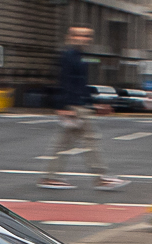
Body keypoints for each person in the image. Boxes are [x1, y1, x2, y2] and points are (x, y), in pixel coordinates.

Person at [38, 25, 128, 190]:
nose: (84, 39)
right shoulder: (67, 57)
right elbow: (63, 82)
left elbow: (81, 84)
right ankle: (101, 176)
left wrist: (93, 104)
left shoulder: (80, 57)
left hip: (78, 105)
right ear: (71, 37)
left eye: (87, 36)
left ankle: (50, 176)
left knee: (65, 143)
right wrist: (63, 106)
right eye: (80, 36)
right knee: (90, 139)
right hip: (74, 106)